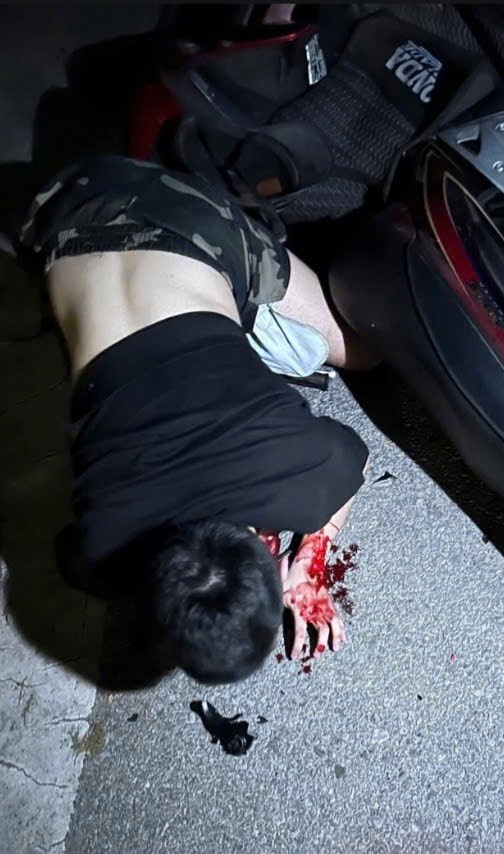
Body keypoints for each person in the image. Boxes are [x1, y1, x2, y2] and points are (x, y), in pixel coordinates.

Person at [20, 154, 373, 685]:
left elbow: (352, 464)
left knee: (359, 351)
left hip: (152, 215)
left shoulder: (286, 472)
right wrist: (306, 564)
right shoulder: (101, 543)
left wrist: (309, 560)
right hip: (63, 206)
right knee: (351, 351)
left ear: (270, 552)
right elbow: (74, 556)